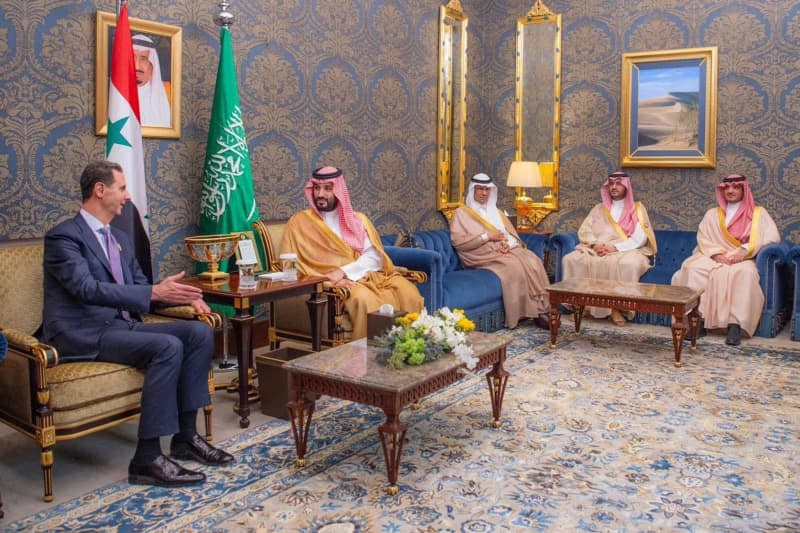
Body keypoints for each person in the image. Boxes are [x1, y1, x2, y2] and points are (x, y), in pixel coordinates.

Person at [41, 160, 233, 488]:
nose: (128, 196)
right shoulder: (63, 237)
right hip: (82, 333)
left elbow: (141, 289)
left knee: (199, 332)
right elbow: (85, 289)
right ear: (100, 190)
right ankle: (146, 458)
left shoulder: (121, 238)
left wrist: (178, 297)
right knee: (167, 345)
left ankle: (185, 438)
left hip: (121, 325)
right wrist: (153, 291)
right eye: (122, 188)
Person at [281, 166, 424, 339]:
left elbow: (374, 257)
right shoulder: (299, 222)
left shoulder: (358, 220)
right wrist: (326, 281)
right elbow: (290, 264)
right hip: (336, 284)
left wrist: (344, 272)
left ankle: (411, 348)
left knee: (409, 292)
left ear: (339, 190)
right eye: (317, 188)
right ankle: (369, 358)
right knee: (363, 300)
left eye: (328, 188)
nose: (320, 194)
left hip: (365, 276)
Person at [671, 174, 780, 345]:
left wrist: (744, 251)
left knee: (744, 274)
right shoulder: (712, 214)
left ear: (744, 189)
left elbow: (772, 237)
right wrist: (716, 254)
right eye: (727, 188)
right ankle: (697, 322)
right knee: (694, 269)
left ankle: (735, 325)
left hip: (742, 257)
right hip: (714, 255)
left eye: (735, 187)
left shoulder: (759, 214)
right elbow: (704, 238)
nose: (730, 191)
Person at [449, 173, 550, 330]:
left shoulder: (497, 212)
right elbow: (460, 243)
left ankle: (541, 308)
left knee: (532, 259)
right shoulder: (462, 213)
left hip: (501, 251)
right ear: (473, 191)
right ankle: (527, 313)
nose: (484, 193)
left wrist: (507, 244)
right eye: (480, 189)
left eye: (487, 189)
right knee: (514, 266)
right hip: (479, 255)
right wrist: (488, 236)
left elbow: (509, 235)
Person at [561, 171, 657, 325]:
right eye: (611, 183)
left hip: (626, 250)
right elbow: (584, 230)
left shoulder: (637, 208)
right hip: (597, 247)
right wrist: (595, 244)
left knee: (628, 264)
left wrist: (615, 248)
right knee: (571, 259)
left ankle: (616, 308)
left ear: (626, 186)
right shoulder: (599, 208)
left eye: (618, 183)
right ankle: (582, 306)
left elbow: (640, 238)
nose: (614, 187)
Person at [132, 34, 171, 127]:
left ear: (152, 65)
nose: (137, 66)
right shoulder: (110, 93)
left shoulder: (168, 93)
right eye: (132, 57)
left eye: (143, 58)